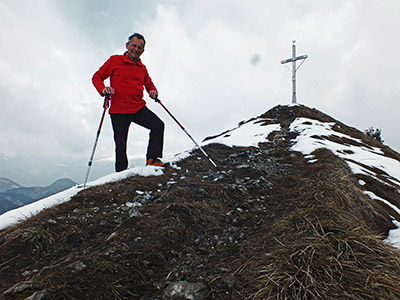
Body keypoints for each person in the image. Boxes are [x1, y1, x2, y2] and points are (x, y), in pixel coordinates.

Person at [92, 33, 169, 172]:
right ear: (127, 46)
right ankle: (121, 175)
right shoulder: (115, 61)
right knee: (121, 145)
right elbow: (97, 77)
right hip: (118, 110)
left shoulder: (142, 68)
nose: (136, 49)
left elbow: (149, 84)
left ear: (143, 51)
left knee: (158, 125)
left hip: (137, 107)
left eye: (140, 47)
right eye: (134, 45)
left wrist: (153, 91)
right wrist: (103, 89)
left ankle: (152, 159)